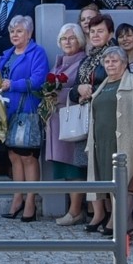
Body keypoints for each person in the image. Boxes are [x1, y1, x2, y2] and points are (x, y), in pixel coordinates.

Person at [83, 46, 133, 238]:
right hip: (102, 143)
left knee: (125, 186)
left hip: (127, 141)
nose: (110, 65)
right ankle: (128, 227)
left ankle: (117, 223)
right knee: (110, 184)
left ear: (124, 63)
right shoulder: (103, 84)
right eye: (107, 61)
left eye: (114, 61)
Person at [0, 15, 49, 220]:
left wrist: (13, 84)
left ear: (29, 33)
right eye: (12, 31)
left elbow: (39, 80)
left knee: (28, 157)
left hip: (27, 110)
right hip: (7, 111)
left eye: (19, 31)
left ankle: (30, 202)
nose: (14, 35)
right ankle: (17, 198)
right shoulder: (7, 54)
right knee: (13, 156)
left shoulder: (37, 52)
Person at [48, 23, 90, 225]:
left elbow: (82, 88)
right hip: (58, 120)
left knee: (75, 167)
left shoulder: (83, 62)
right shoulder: (60, 62)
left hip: (73, 120)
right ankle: (73, 209)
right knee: (65, 167)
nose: (67, 42)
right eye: (64, 38)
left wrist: (57, 94)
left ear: (80, 41)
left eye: (72, 38)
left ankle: (75, 211)